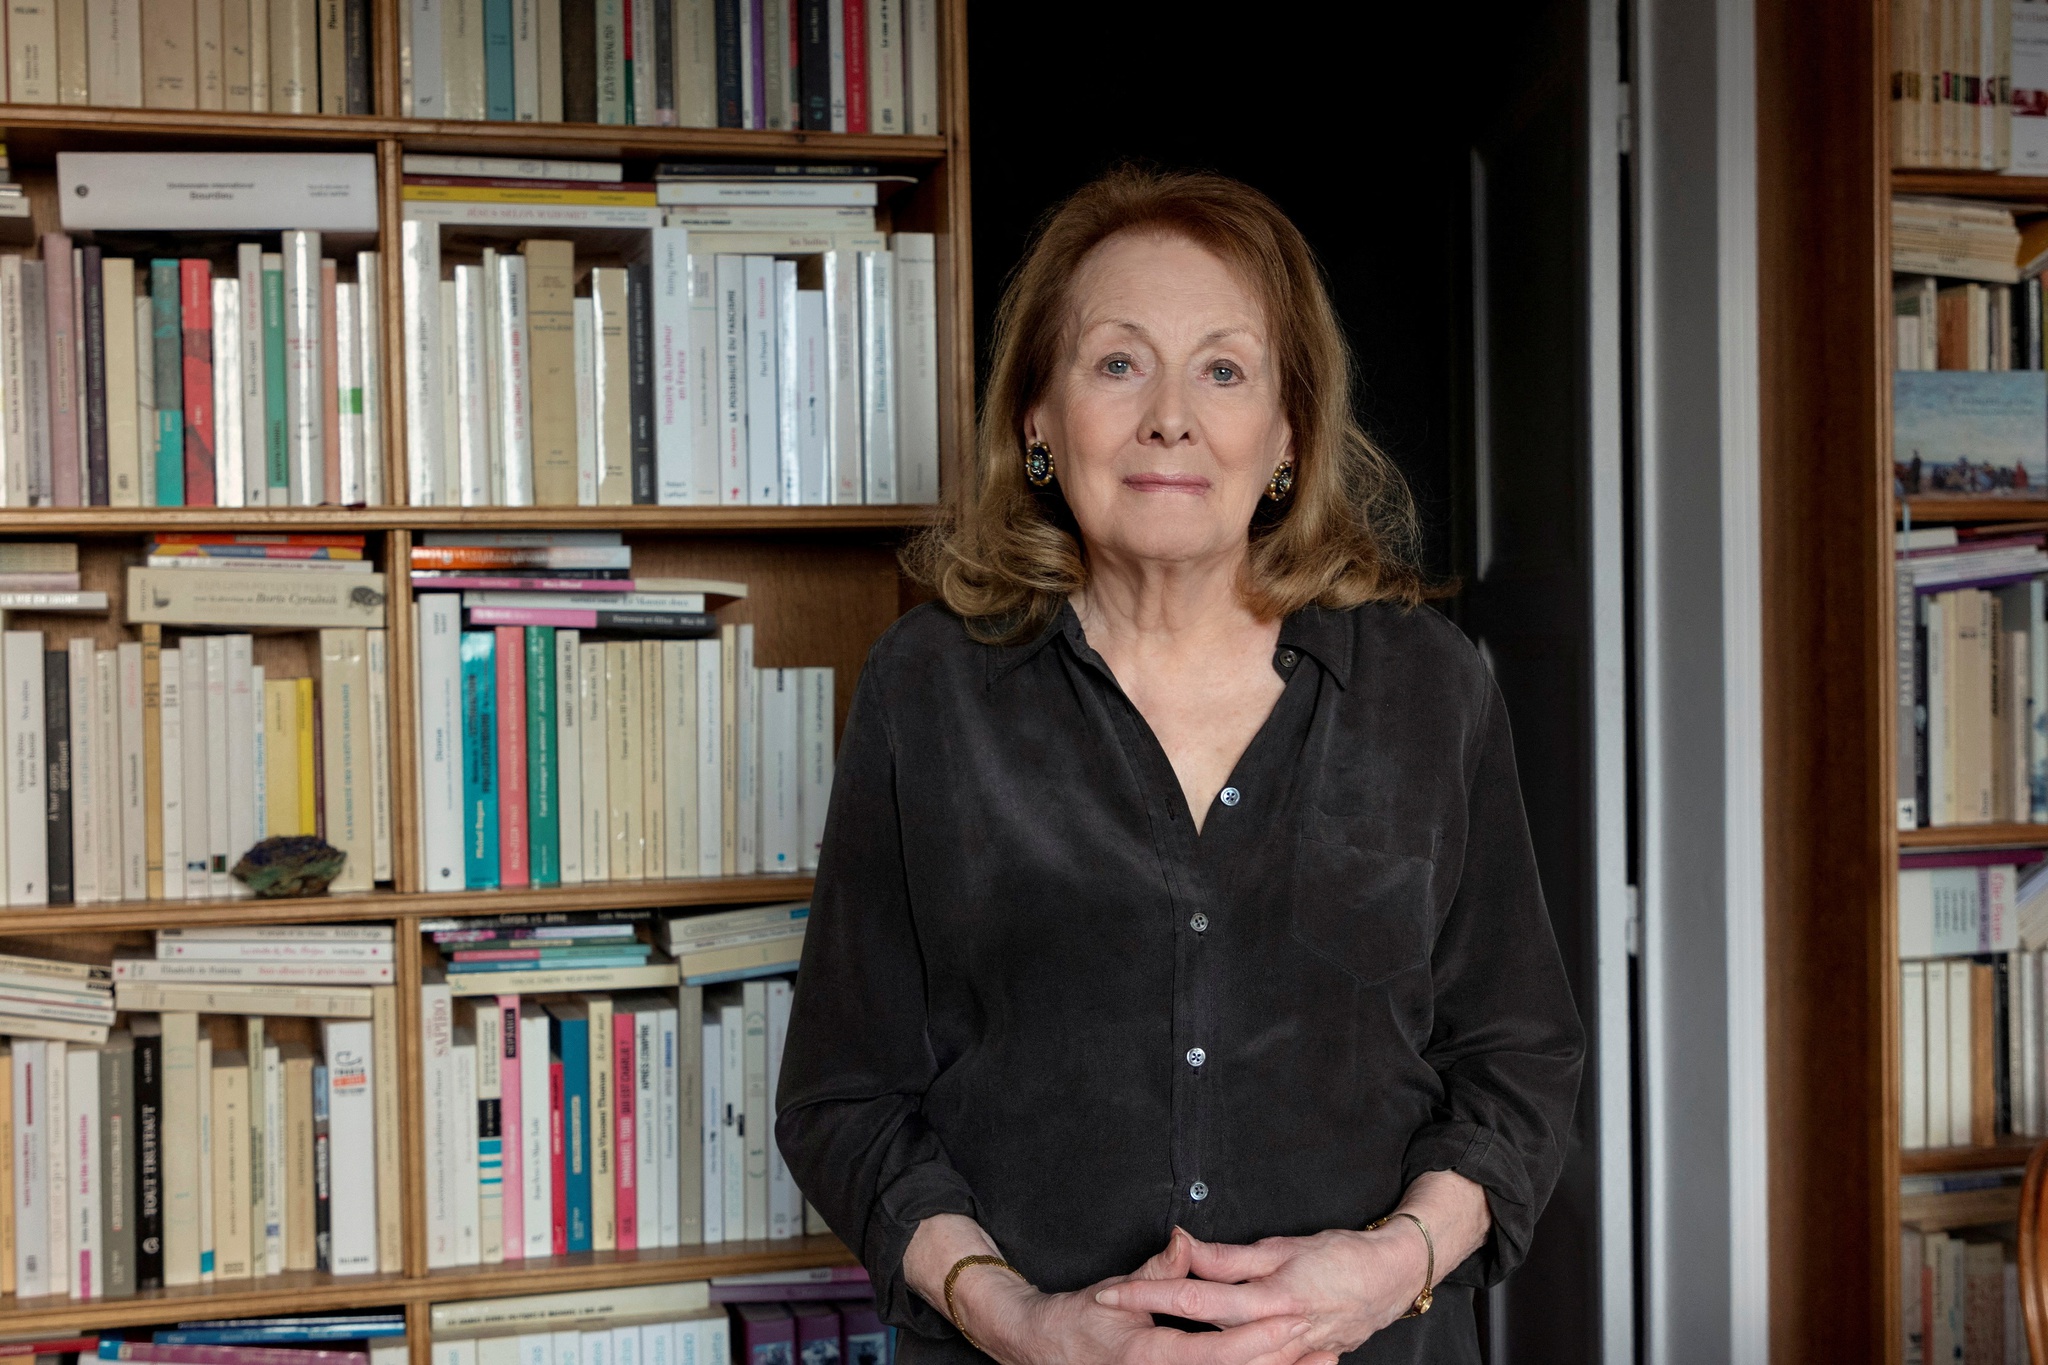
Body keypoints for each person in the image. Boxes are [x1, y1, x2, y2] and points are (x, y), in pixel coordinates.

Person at [775, 166, 1585, 1365]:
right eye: (1117, 363)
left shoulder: (1429, 686)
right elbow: (843, 1098)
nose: (1168, 418)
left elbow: (1516, 1063)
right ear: (1036, 420)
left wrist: (1386, 1271)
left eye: (1222, 370)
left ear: (1288, 432)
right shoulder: (927, 687)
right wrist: (1023, 1324)